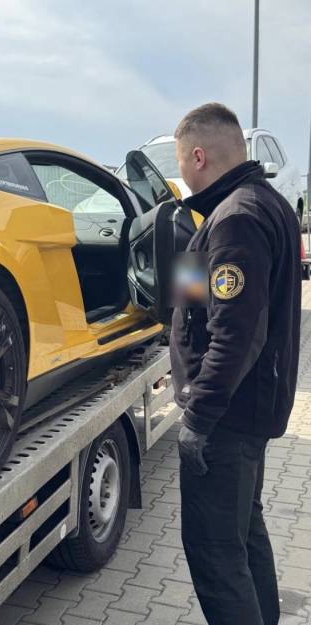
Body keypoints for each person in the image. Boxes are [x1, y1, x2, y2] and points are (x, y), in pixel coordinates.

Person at [170, 103, 301, 625]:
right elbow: (195, 306)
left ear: (198, 156)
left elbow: (237, 334)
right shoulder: (260, 204)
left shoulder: (236, 219)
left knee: (216, 554)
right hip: (246, 413)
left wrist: (198, 417)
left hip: (226, 420)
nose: (181, 172)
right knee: (244, 535)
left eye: (181, 161)